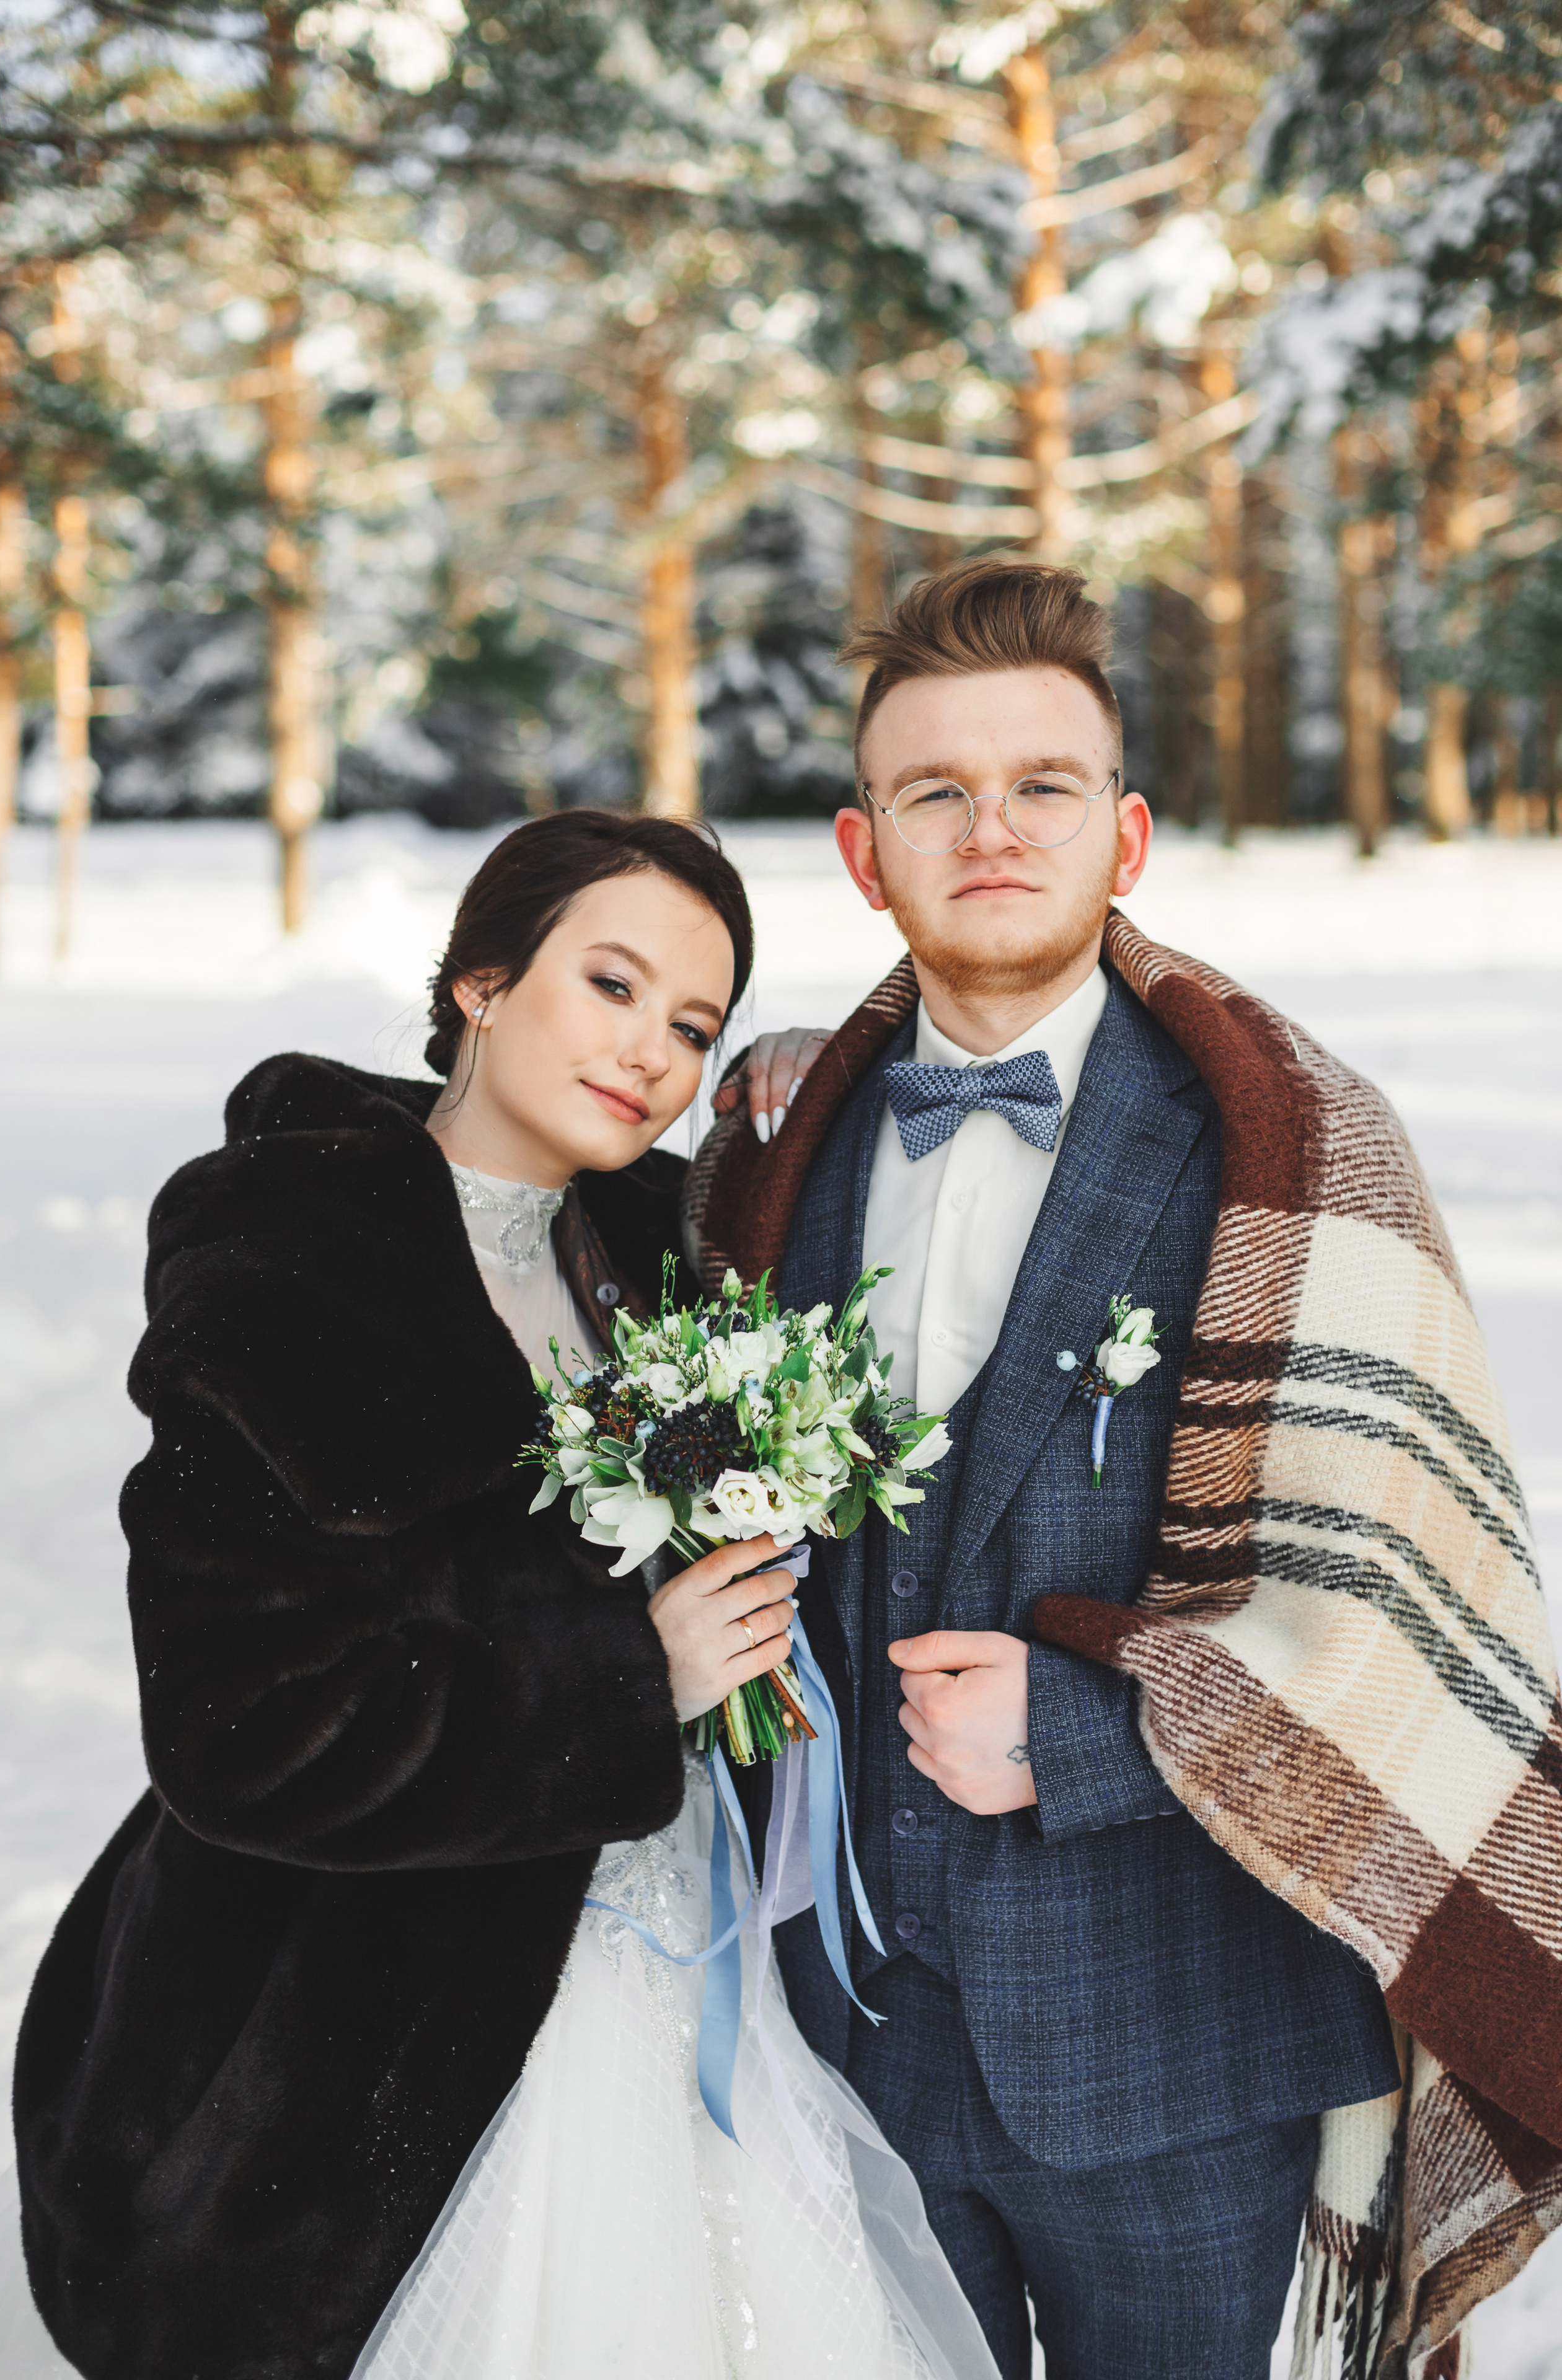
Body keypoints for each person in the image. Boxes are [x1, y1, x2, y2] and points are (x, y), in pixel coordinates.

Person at [686, 555, 1561, 2380]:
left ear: (1128, 836)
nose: (989, 828)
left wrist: (1092, 1732)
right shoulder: (775, 1147)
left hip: (1188, 2048)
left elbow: (1409, 1611)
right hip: (847, 2036)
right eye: (935, 790)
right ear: (864, 852)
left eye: (1041, 788)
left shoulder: (1299, 1149)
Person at [0, 813, 998, 2380]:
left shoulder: (662, 1251)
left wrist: (814, 1083)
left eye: (691, 1025)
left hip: (689, 1967)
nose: (649, 1053)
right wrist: (617, 1678)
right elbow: (237, 1732)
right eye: (609, 985)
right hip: (373, 2032)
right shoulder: (290, 1273)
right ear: (480, 979)